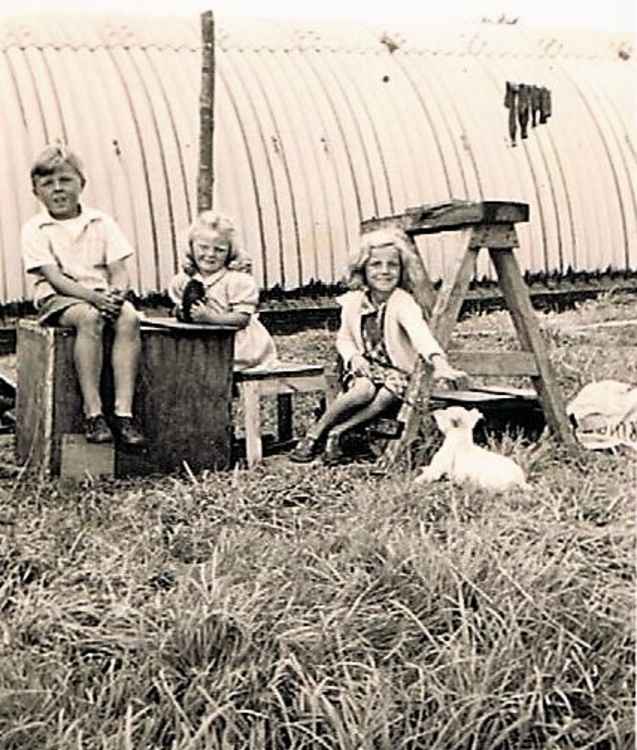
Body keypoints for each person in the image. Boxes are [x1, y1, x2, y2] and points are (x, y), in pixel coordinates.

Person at [290, 227, 468, 464]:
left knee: (386, 394)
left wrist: (439, 362)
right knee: (363, 390)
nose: (384, 271)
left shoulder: (403, 303)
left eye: (392, 265)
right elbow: (344, 338)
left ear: (401, 270)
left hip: (396, 373)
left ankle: (339, 431)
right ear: (363, 268)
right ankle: (316, 432)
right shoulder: (353, 302)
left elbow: (421, 335)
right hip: (365, 367)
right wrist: (354, 357)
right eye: (376, 265)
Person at [21, 144, 145, 446]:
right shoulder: (36, 228)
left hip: (100, 293)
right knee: (89, 319)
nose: (58, 189)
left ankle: (124, 413)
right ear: (36, 192)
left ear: (81, 183)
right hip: (59, 297)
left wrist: (117, 293)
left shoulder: (100, 222)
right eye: (48, 184)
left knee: (128, 316)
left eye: (65, 180)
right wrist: (95, 299)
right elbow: (55, 278)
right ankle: (93, 413)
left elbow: (118, 268)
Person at [168, 211, 278, 371]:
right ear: (191, 247)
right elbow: (180, 308)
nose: (210, 254)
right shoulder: (183, 281)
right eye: (203, 247)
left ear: (230, 252)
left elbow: (242, 319)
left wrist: (211, 318)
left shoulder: (237, 281)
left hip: (236, 345)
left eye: (219, 250)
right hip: (202, 341)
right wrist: (181, 312)